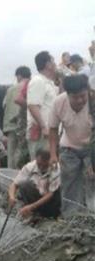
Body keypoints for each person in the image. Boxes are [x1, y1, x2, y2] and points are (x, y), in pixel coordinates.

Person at [48, 74, 93, 216]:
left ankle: (91, 216)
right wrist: (53, 154)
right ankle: (72, 218)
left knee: (92, 181)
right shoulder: (58, 103)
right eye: (75, 97)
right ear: (67, 95)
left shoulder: (93, 101)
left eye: (83, 96)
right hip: (69, 148)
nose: (80, 100)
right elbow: (53, 129)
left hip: (91, 147)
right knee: (70, 184)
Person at [8, 149, 61, 218]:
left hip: (51, 201)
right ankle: (34, 213)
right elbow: (14, 184)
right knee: (25, 184)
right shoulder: (30, 166)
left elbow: (50, 194)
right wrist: (11, 197)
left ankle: (50, 214)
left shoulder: (56, 169)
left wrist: (32, 206)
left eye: (44, 165)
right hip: (37, 196)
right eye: (39, 164)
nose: (41, 167)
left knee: (57, 192)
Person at [26, 51, 58, 158]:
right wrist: (44, 126)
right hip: (41, 133)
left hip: (48, 132)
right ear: (48, 64)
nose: (55, 64)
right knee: (39, 166)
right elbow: (32, 105)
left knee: (48, 167)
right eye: (53, 61)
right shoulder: (38, 81)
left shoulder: (49, 83)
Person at [3, 66, 32, 169]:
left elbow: (4, 105)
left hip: (10, 126)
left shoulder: (10, 89)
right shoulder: (31, 86)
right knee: (24, 153)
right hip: (25, 125)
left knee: (11, 154)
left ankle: (9, 178)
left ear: (19, 76)